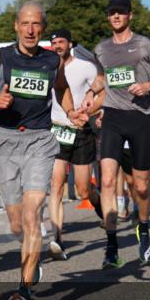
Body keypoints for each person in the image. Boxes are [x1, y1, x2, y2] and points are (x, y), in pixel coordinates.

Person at [0, 3, 84, 300]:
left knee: (32, 216)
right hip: (6, 140)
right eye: (25, 24)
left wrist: (71, 112)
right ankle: (32, 260)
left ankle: (24, 289)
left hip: (39, 140)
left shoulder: (51, 60)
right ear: (16, 26)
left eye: (36, 25)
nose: (31, 30)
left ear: (42, 29)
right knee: (18, 223)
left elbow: (61, 89)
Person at [83, 0, 150, 269]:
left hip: (140, 118)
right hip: (112, 117)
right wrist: (91, 93)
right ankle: (112, 246)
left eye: (121, 13)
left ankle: (143, 230)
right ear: (108, 17)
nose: (116, 17)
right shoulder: (101, 49)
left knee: (141, 185)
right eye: (112, 13)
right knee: (108, 181)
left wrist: (148, 87)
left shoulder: (145, 45)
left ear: (130, 16)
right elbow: (102, 78)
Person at [47, 29, 104, 262]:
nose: (57, 46)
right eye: (53, 43)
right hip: (57, 129)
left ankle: (98, 203)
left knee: (82, 190)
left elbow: (102, 90)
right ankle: (57, 238)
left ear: (69, 44)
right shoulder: (46, 67)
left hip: (81, 130)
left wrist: (91, 110)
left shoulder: (85, 67)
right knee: (56, 184)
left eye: (61, 41)